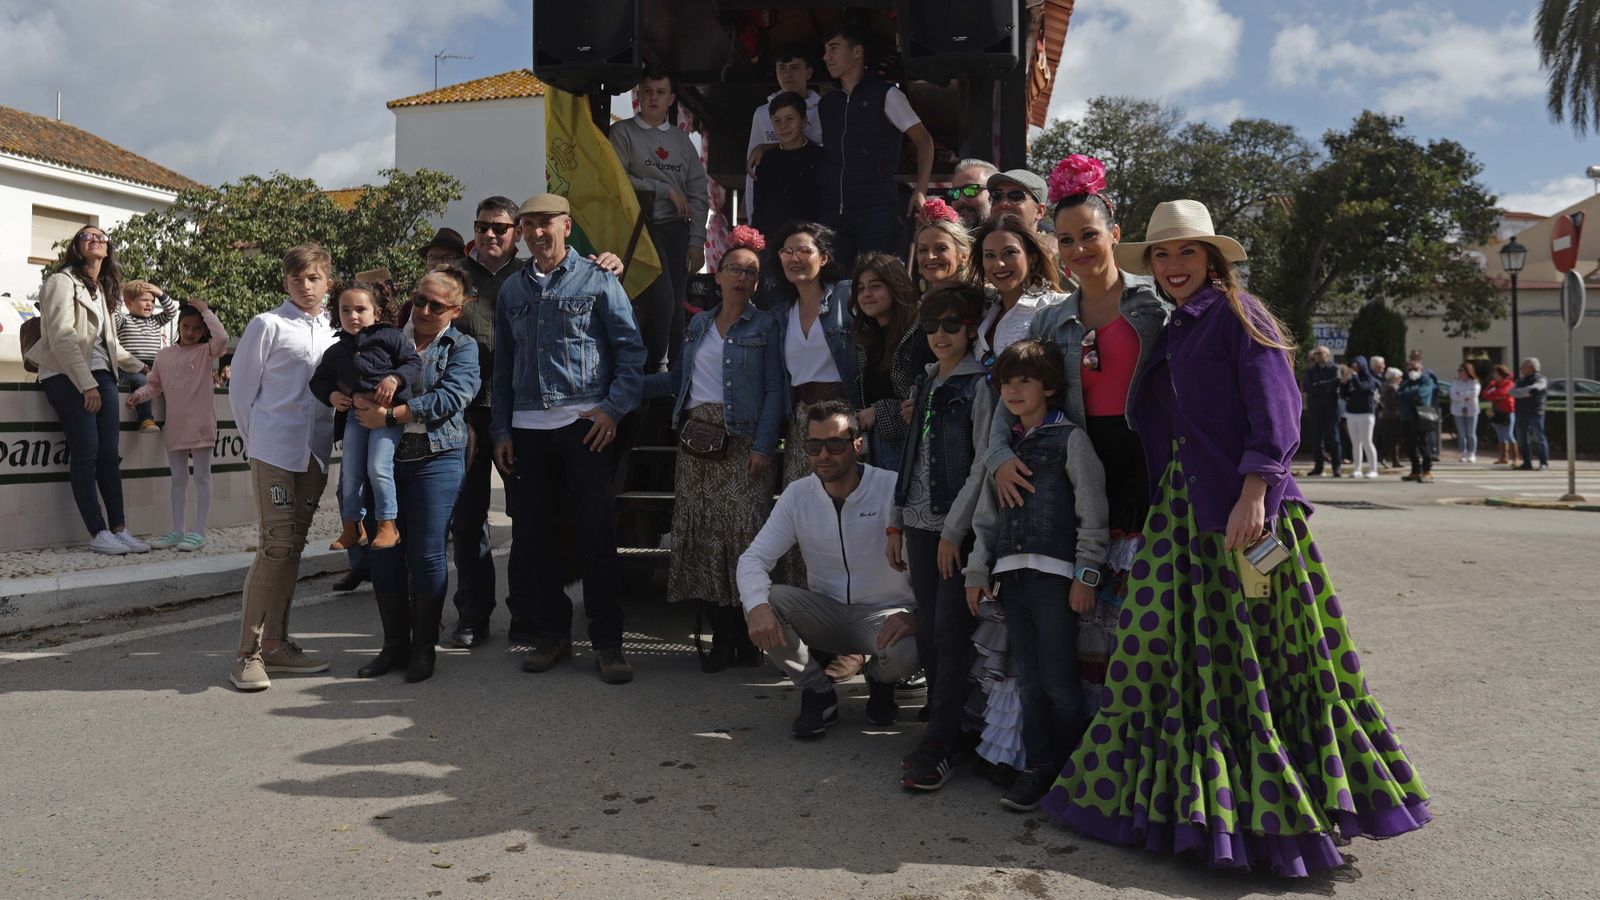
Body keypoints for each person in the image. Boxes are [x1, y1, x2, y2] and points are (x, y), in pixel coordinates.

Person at [1044, 200, 1431, 876]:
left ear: (1213, 258)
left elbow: (1278, 412)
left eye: (1185, 252)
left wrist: (1255, 495)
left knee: (1269, 662)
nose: (1171, 266)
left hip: (1247, 518)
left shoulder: (1237, 313)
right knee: (1168, 660)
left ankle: (1273, 816)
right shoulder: (1177, 325)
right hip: (1184, 515)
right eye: (1160, 255)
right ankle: (1194, 810)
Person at [990, 154, 1169, 731]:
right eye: (1065, 241)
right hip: (1084, 492)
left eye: (1089, 236)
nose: (1078, 251)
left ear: (1115, 235)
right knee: (1090, 636)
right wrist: (997, 457)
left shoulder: (1157, 310)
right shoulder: (1052, 323)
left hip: (1155, 484)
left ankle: (1153, 755)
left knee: (1153, 631)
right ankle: (1098, 755)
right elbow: (1009, 400)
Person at [491, 194, 645, 684]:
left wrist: (613, 410)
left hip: (585, 428)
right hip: (528, 431)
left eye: (546, 224)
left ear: (567, 226)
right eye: (528, 225)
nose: (537, 233)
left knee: (597, 536)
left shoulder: (599, 279)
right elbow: (502, 369)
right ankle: (551, 636)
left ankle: (608, 644)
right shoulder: (511, 292)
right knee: (536, 539)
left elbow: (631, 351)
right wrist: (501, 429)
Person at [966, 339, 1110, 812]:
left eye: (1025, 380)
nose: (1013, 389)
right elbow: (987, 518)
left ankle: (1072, 770)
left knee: (1060, 683)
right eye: (1007, 381)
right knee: (1027, 679)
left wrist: (1086, 574)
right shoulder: (1003, 450)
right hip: (1012, 579)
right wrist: (977, 570)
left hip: (1055, 581)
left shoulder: (1071, 439)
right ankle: (1037, 766)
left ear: (1049, 386)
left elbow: (1093, 511)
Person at [642, 226, 784, 672]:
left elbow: (775, 392)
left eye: (752, 272)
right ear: (717, 275)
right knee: (705, 541)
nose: (742, 277)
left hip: (743, 442)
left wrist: (764, 446)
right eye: (734, 269)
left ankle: (749, 638)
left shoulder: (767, 325)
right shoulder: (698, 324)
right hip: (697, 444)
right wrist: (619, 385)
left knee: (745, 540)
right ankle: (724, 640)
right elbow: (675, 380)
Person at [736, 401, 920, 738]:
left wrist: (916, 615)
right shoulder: (798, 494)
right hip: (828, 614)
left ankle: (880, 681)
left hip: (885, 616)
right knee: (766, 600)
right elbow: (753, 559)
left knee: (909, 651)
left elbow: (930, 560)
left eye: (835, 444)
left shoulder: (893, 488)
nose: (824, 455)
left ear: (857, 445)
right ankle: (817, 691)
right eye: (813, 445)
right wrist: (757, 606)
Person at [348, 269, 480, 683]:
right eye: (420, 299)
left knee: (425, 555)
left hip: (436, 458)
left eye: (436, 306)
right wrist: (345, 393)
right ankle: (393, 646)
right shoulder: (385, 336)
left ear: (455, 311)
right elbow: (350, 371)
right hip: (381, 460)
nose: (423, 310)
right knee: (384, 553)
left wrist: (391, 414)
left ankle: (423, 647)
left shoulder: (463, 346)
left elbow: (453, 396)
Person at [887, 285, 992, 790]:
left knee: (951, 634)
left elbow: (982, 465)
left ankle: (942, 743)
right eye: (931, 326)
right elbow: (910, 457)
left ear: (971, 327)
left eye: (951, 324)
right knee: (929, 630)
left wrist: (956, 532)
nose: (941, 335)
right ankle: (943, 724)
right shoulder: (926, 383)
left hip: (957, 531)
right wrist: (896, 518)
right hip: (918, 525)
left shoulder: (980, 387)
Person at [226, 243, 342, 691]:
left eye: (314, 278)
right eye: (298, 279)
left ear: (327, 281)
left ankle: (276, 644)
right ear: (285, 282)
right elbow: (241, 392)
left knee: (294, 546)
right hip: (274, 450)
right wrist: (259, 443)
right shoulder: (267, 324)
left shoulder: (336, 329)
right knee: (274, 546)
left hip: (314, 453)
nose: (306, 286)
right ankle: (245, 654)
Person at [27, 226, 153, 555]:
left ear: (108, 249)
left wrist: (140, 366)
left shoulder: (102, 290)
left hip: (102, 374)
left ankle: (119, 528)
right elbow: (62, 337)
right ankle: (97, 532)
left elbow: (109, 345)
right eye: (87, 236)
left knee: (109, 456)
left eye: (101, 236)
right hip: (65, 375)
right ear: (77, 247)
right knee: (86, 451)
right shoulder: (60, 282)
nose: (96, 239)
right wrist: (86, 383)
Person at [447, 196, 522, 643]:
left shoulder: (533, 276)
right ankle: (473, 615)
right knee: (468, 520)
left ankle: (526, 613)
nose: (490, 235)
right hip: (467, 414)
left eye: (500, 228)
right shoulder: (454, 279)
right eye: (483, 226)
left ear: (516, 232)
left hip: (520, 414)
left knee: (527, 519)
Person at [311, 283, 424, 552]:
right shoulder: (335, 350)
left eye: (360, 309)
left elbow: (413, 363)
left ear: (377, 312)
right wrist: (332, 395)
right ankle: (352, 526)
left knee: (378, 467)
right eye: (345, 310)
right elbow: (319, 380)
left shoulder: (391, 337)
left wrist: (395, 379)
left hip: (387, 415)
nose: (353, 316)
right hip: (355, 417)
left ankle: (388, 524)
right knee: (349, 472)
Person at [609, 66, 708, 373]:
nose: (653, 97)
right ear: (638, 96)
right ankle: (652, 368)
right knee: (660, 300)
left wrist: (697, 242)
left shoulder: (682, 141)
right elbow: (617, 180)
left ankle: (676, 374)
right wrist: (663, 189)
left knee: (676, 305)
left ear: (671, 99)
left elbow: (698, 194)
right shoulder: (622, 133)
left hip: (677, 232)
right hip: (641, 231)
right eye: (647, 91)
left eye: (660, 92)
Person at [817, 23, 935, 268]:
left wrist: (920, 191)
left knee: (880, 277)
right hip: (833, 212)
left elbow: (924, 140)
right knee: (838, 284)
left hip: (877, 208)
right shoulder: (826, 103)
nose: (826, 56)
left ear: (857, 51)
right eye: (825, 50)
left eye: (833, 48)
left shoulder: (887, 94)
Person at [127, 299, 228, 550]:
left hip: (202, 424)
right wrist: (138, 396)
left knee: (203, 477)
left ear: (204, 331)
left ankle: (198, 532)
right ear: (178, 326)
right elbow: (154, 386)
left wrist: (206, 311)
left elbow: (223, 338)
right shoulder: (164, 355)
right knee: (178, 479)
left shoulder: (207, 352)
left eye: (196, 328)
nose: (190, 332)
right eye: (186, 326)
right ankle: (177, 530)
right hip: (176, 426)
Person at [774, 222, 858, 488]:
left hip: (843, 415)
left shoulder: (847, 296)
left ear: (823, 258)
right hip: (801, 423)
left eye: (803, 251)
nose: (794, 258)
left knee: (844, 495)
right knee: (802, 500)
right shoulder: (780, 314)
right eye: (787, 252)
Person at [851, 253, 931, 473]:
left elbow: (922, 400)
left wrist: (880, 411)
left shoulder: (920, 331)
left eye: (875, 286)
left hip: (912, 451)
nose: (867, 294)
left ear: (896, 286)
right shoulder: (866, 337)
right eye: (861, 289)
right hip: (874, 449)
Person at [971, 215, 1068, 368]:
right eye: (990, 255)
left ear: (1032, 257)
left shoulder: (1057, 308)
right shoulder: (983, 310)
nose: (999, 263)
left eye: (1009, 252)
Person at [745, 44, 824, 226]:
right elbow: (752, 170)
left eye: (795, 68)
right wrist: (752, 223)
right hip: (774, 214)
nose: (788, 75)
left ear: (809, 73)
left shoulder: (824, 110)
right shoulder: (762, 113)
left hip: (811, 211)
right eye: (782, 68)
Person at [749, 91, 825, 241]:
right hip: (772, 241)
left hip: (810, 240)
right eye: (777, 121)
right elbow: (759, 207)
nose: (783, 126)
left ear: (804, 121)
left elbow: (826, 204)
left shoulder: (820, 157)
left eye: (790, 118)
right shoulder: (765, 160)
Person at [115, 280, 179, 434]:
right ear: (129, 303)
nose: (150, 304)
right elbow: (113, 313)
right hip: (130, 369)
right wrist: (118, 293)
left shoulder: (155, 321)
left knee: (174, 384)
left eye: (152, 301)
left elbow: (171, 311)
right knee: (141, 382)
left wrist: (160, 293)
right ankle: (145, 420)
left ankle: (175, 421)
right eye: (144, 300)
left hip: (154, 366)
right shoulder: (124, 320)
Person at [1396, 358, 1439, 483]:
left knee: (1422, 444)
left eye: (1415, 369)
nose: (1412, 371)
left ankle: (1427, 470)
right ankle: (1415, 470)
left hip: (1420, 416)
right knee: (1409, 445)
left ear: (1421, 370)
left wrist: (1406, 395)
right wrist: (1408, 395)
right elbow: (1397, 395)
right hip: (1406, 417)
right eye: (1409, 369)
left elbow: (1421, 394)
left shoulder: (1427, 380)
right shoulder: (1407, 382)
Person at [1302, 346, 1342, 477]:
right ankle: (1318, 467)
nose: (1317, 356)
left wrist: (1318, 385)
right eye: (1316, 353)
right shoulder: (1310, 370)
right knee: (1317, 438)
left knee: (1334, 438)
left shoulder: (1334, 368)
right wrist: (1324, 387)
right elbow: (1307, 386)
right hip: (1316, 408)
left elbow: (1335, 382)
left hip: (1331, 407)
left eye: (1320, 353)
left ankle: (1337, 467)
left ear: (1327, 354)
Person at [912, 208, 973, 290]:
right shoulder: (922, 301)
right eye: (923, 250)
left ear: (964, 255)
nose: (930, 256)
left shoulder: (983, 298)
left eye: (941, 248)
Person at [1341, 356, 1381, 478]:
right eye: (1352, 365)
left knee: (1367, 441)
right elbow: (1344, 394)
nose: (1354, 367)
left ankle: (1373, 469)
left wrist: (1354, 376)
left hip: (1366, 413)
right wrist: (1343, 381)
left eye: (1356, 365)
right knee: (1356, 443)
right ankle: (1357, 468)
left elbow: (1361, 388)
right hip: (1352, 413)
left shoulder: (1369, 379)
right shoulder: (1351, 379)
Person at [1511, 357, 1550, 470]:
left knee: (1539, 438)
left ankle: (1543, 463)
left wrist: (1521, 392)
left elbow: (1535, 389)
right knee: (1522, 439)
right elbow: (1511, 391)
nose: (1521, 369)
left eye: (1523, 366)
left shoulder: (1540, 379)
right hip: (1521, 412)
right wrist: (1525, 392)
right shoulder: (1520, 380)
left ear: (1531, 368)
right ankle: (1527, 462)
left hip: (1535, 412)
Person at [943, 159, 998, 228]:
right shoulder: (942, 236)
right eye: (955, 192)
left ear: (995, 195)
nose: (960, 200)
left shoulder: (1010, 236)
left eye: (971, 190)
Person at [1484, 364, 1520, 466]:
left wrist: (1494, 395)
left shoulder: (1509, 383)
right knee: (1500, 435)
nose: (1494, 375)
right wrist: (1495, 395)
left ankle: (1516, 458)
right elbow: (1486, 393)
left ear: (1501, 374)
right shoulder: (1493, 384)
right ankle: (1503, 457)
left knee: (1509, 434)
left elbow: (1503, 393)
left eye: (1496, 373)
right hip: (1496, 412)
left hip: (1507, 412)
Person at [1450, 362, 1482, 463]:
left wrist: (1461, 394)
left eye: (1461, 371)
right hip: (1457, 410)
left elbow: (1474, 394)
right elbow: (1453, 395)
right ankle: (1463, 453)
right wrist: (1465, 395)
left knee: (1471, 433)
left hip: (1472, 410)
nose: (1459, 373)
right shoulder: (1455, 383)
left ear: (1467, 372)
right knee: (1461, 433)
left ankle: (1472, 453)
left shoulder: (1474, 382)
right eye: (1458, 371)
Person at [1378, 367, 1405, 469]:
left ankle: (1394, 460)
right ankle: (1386, 457)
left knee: (1392, 438)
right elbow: (1395, 402)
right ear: (1395, 377)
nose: (1401, 379)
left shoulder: (1386, 385)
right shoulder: (1392, 387)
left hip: (1388, 415)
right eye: (1400, 377)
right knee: (1394, 439)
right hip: (1393, 416)